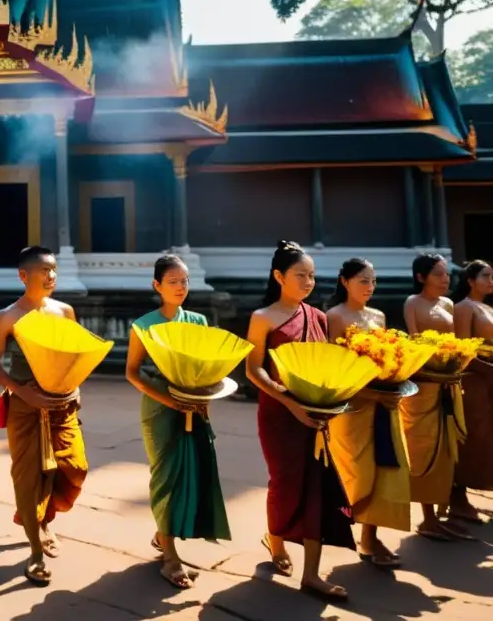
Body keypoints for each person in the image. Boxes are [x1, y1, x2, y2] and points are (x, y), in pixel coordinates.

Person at [245, 240, 354, 603]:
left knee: (317, 488)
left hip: (316, 414)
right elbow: (254, 370)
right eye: (300, 275)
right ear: (278, 276)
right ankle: (275, 539)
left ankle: (312, 574)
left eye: (311, 275)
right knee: (284, 482)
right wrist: (290, 403)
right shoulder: (262, 317)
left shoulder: (318, 317)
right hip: (279, 413)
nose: (308, 281)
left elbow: (323, 366)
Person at [0, 246, 87, 586]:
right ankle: (35, 551)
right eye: (44, 270)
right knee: (28, 479)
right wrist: (21, 390)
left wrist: (76, 391)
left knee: (73, 467)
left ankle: (43, 520)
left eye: (54, 269)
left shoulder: (65, 311)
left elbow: (75, 356)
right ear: (23, 276)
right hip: (25, 406)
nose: (51, 276)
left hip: (62, 403)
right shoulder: (8, 317)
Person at [125, 254, 230, 590]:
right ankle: (170, 558)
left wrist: (202, 404)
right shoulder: (144, 325)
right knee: (166, 476)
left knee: (192, 474)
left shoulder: (198, 321)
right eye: (173, 282)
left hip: (196, 407)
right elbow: (132, 372)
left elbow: (207, 367)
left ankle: (164, 533)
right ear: (157, 286)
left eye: (184, 281)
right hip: (159, 408)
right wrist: (170, 400)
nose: (181, 287)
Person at [325, 258, 409, 569]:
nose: (369, 287)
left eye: (372, 281)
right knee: (355, 472)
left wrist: (392, 383)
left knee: (383, 471)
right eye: (362, 280)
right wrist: (367, 392)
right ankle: (337, 525)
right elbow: (335, 366)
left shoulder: (378, 316)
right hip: (352, 405)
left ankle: (370, 536)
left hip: (381, 403)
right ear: (344, 281)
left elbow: (386, 361)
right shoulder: (333, 316)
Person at [400, 253, 472, 541]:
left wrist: (455, 363)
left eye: (446, 274)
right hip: (424, 383)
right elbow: (414, 342)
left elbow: (455, 343)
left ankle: (447, 510)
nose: (446, 279)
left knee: (448, 449)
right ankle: (427, 518)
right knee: (424, 449)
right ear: (421, 277)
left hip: (448, 383)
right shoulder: (412, 303)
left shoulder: (448, 304)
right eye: (438, 274)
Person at [448, 260, 493, 522]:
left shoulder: (487, 307)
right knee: (473, 438)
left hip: (489, 379)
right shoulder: (463, 308)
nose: (491, 281)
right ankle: (458, 498)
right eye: (486, 276)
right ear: (470, 280)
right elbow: (464, 354)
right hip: (475, 381)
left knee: (489, 441)